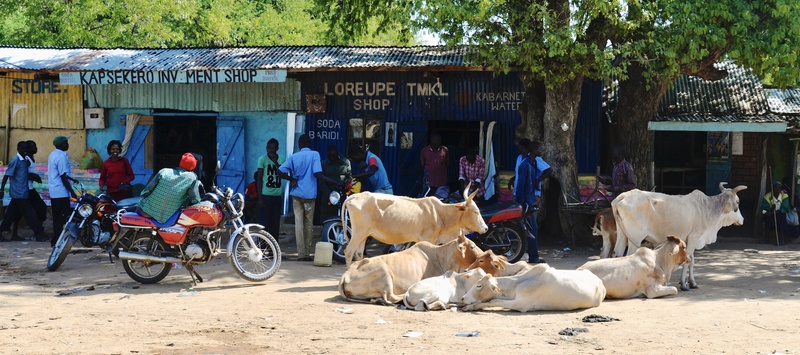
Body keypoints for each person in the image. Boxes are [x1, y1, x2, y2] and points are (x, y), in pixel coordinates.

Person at [276, 134, 343, 261]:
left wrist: (292, 179)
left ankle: (301, 253)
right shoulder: (314, 155)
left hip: (296, 195)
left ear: (299, 144)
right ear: (309, 144)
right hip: (309, 196)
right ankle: (306, 253)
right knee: (308, 223)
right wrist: (335, 181)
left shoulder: (294, 157)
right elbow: (318, 174)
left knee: (298, 223)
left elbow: (279, 171)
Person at [0, 142, 46, 242]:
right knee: (30, 214)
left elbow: (23, 174)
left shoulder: (24, 160)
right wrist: (2, 189)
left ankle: (2, 231)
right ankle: (39, 234)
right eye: (22, 148)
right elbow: (7, 175)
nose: (24, 150)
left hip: (22, 192)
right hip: (19, 193)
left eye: (25, 148)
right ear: (18, 149)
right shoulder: (16, 160)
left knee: (10, 215)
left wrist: (34, 177)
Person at [137, 153, 201, 224]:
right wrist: (199, 204)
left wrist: (144, 197)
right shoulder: (192, 177)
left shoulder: (164, 171)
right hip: (166, 217)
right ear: (193, 166)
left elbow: (147, 190)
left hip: (144, 211)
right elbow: (194, 198)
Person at [515, 140, 551, 264]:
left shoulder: (533, 163)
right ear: (534, 150)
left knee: (531, 229)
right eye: (539, 149)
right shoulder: (525, 165)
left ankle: (532, 255)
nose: (541, 151)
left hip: (530, 200)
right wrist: (522, 204)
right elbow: (520, 186)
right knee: (531, 228)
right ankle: (533, 256)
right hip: (526, 202)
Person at [48, 136, 79, 247]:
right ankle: (57, 240)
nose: (68, 144)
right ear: (62, 144)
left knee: (57, 217)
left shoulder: (53, 154)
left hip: (54, 191)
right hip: (61, 191)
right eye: (66, 142)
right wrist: (72, 192)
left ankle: (55, 240)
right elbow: (63, 176)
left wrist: (72, 180)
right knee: (62, 218)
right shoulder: (61, 157)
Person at [256, 138, 284, 240]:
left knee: (275, 225)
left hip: (277, 196)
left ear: (277, 148)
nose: (270, 150)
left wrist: (275, 162)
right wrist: (260, 198)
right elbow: (259, 178)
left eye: (272, 148)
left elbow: (283, 173)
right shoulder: (262, 159)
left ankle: (273, 252)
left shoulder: (282, 159)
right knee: (264, 224)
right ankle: (262, 250)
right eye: (268, 148)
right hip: (266, 196)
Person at [761, 180, 799, 245]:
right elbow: (763, 208)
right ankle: (766, 239)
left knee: (782, 217)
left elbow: (785, 207)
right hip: (771, 214)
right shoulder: (768, 196)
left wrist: (778, 211)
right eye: (775, 187)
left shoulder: (784, 195)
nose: (777, 189)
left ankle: (782, 239)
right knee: (766, 218)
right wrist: (770, 211)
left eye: (779, 188)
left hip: (780, 214)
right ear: (772, 188)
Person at [320, 145, 351, 220]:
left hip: (343, 193)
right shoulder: (323, 164)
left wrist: (347, 186)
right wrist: (330, 195)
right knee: (326, 217)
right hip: (329, 194)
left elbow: (349, 176)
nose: (332, 158)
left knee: (344, 216)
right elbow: (322, 182)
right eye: (330, 156)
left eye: (334, 156)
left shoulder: (345, 162)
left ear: (337, 153)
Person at [420, 132, 449, 199]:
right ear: (432, 140)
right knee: (427, 199)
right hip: (429, 181)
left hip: (441, 181)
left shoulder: (444, 150)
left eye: (440, 140)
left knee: (440, 200)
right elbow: (422, 165)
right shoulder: (424, 151)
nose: (439, 142)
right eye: (437, 140)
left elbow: (447, 164)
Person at [25, 141, 47, 223]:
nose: (36, 148)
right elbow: (22, 173)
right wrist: (34, 177)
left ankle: (38, 228)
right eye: (33, 147)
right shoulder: (26, 159)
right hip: (26, 189)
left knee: (40, 207)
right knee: (40, 206)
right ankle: (38, 230)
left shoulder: (31, 158)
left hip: (30, 187)